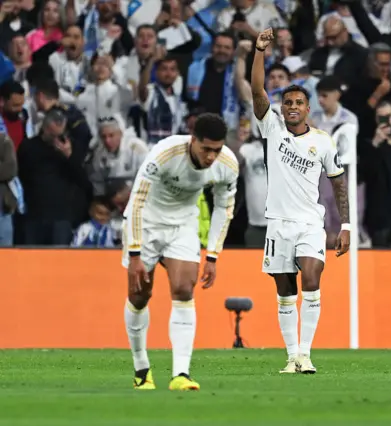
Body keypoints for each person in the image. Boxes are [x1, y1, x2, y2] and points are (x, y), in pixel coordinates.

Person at [251, 28, 350, 374]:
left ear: (308, 109)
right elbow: (256, 91)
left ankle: (305, 354)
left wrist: (346, 225)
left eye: (298, 103)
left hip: (310, 223)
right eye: (287, 103)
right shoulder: (272, 130)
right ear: (282, 108)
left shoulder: (323, 142)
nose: (292, 107)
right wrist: (259, 52)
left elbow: (339, 183)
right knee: (284, 291)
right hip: (277, 223)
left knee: (311, 277)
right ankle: (291, 356)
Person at [122, 113, 239, 391]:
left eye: (217, 149)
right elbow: (137, 201)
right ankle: (141, 369)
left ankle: (181, 374)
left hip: (182, 225)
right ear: (193, 139)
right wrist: (135, 254)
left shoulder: (227, 164)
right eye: (206, 148)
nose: (211, 156)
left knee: (185, 289)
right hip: (146, 222)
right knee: (139, 296)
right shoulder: (164, 153)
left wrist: (213, 255)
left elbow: (225, 207)